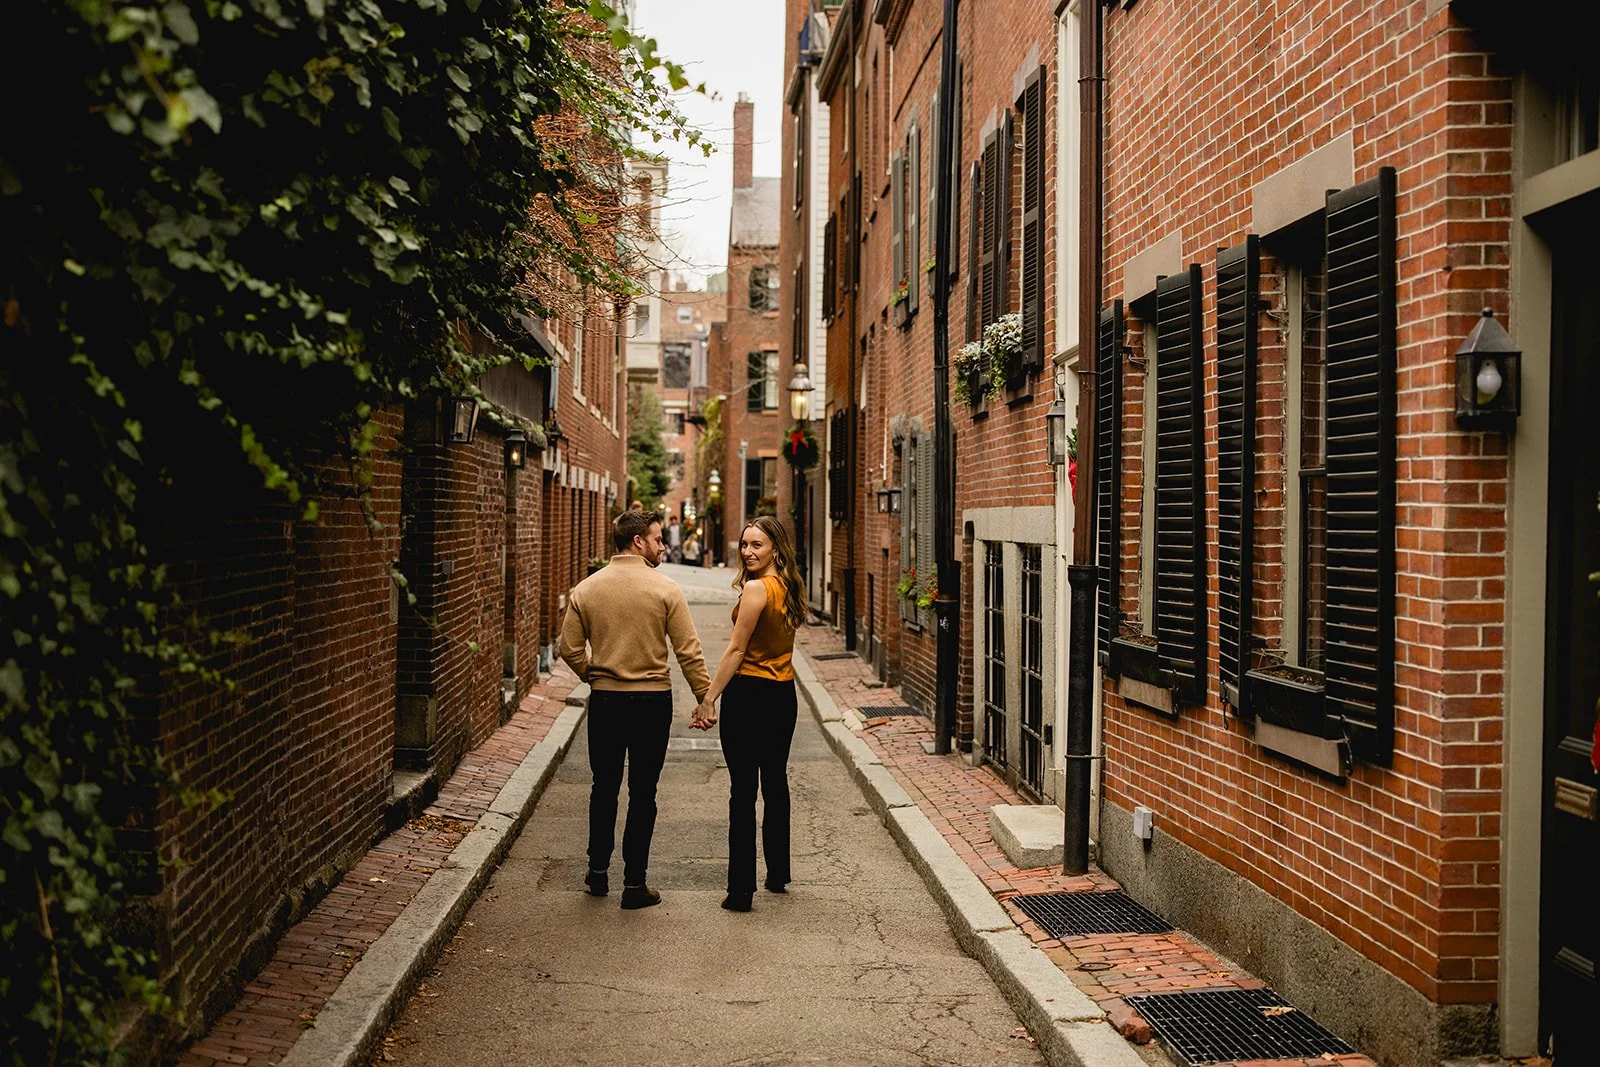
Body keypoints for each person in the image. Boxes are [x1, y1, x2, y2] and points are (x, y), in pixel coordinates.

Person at [560, 509, 711, 910]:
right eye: (659, 539)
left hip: (606, 700)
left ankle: (596, 874)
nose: (664, 546)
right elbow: (688, 651)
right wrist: (704, 696)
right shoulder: (665, 590)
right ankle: (634, 884)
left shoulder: (586, 590)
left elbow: (569, 648)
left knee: (603, 787)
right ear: (638, 541)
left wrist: (594, 675)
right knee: (643, 791)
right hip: (651, 702)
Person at [691, 515, 805, 913]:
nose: (748, 551)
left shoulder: (757, 590)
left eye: (757, 545)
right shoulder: (789, 586)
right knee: (774, 781)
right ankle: (777, 873)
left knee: (743, 791)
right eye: (744, 544)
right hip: (782, 694)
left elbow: (736, 651)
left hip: (750, 694)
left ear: (775, 547)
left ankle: (741, 890)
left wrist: (709, 698)